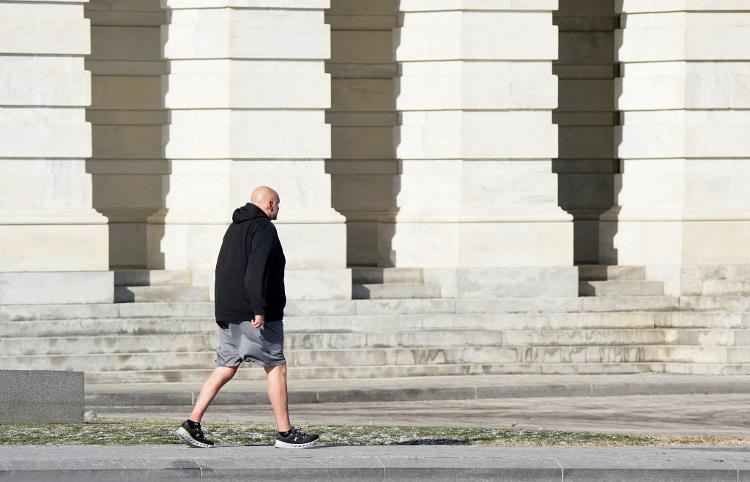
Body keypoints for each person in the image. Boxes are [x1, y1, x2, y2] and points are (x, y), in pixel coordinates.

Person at [175, 186, 319, 449]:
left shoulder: (235, 227)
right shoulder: (263, 228)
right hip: (251, 312)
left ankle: (192, 423)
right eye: (277, 203)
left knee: (226, 366)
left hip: (229, 311)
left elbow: (223, 269)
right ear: (270, 204)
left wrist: (224, 310)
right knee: (276, 366)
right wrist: (259, 308)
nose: (278, 208)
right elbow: (257, 269)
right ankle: (285, 432)